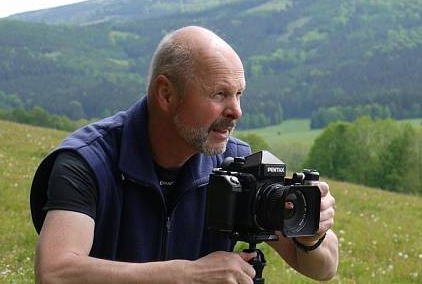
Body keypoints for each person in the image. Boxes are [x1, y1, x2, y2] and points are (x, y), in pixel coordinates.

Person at [30, 26, 339, 283]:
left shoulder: (238, 169)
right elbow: (55, 271)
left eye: (239, 94)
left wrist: (310, 234)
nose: (236, 111)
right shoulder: (89, 162)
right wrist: (187, 274)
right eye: (219, 94)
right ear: (166, 94)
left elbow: (324, 269)